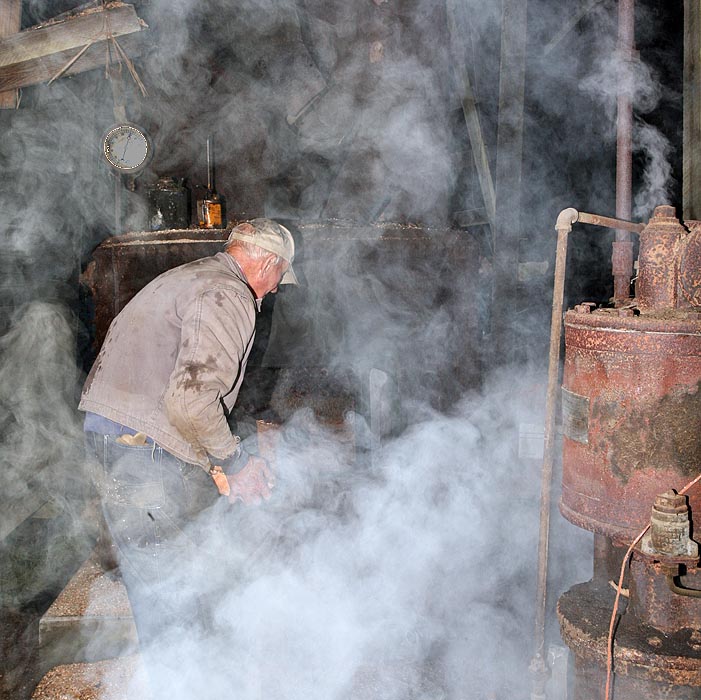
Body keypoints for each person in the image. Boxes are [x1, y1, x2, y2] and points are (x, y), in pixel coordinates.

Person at [79, 218, 298, 698]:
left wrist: (213, 463)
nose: (277, 288)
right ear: (267, 262)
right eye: (280, 276)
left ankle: (174, 684)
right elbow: (191, 401)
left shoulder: (191, 277)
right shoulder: (230, 294)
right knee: (173, 587)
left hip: (118, 441)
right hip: (142, 452)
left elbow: (179, 398)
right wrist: (235, 463)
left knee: (156, 584)